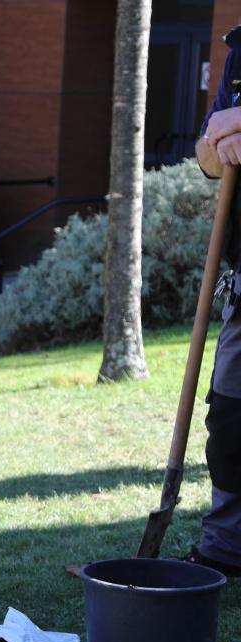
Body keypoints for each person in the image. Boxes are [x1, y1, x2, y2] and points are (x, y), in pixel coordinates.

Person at [188, 27, 241, 577]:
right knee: (228, 417)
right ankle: (227, 544)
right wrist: (222, 136)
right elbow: (207, 160)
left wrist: (236, 123)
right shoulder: (239, 51)